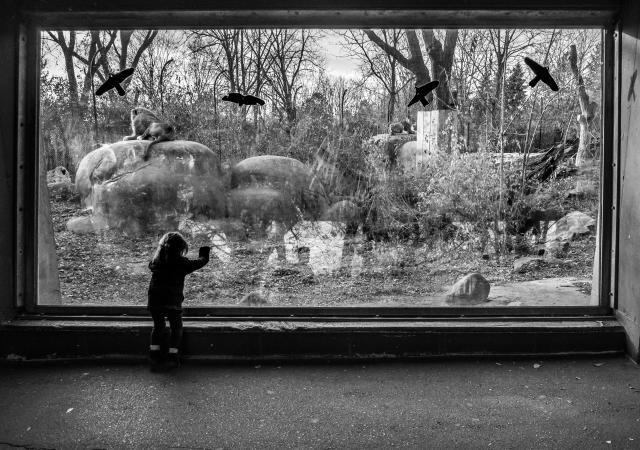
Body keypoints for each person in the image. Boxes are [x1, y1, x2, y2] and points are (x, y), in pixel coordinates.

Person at [147, 232, 210, 371]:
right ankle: (172, 357)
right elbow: (201, 262)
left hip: (154, 301)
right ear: (181, 248)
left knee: (158, 327)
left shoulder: (156, 262)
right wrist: (204, 252)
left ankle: (154, 356)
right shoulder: (181, 263)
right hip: (172, 302)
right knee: (176, 328)